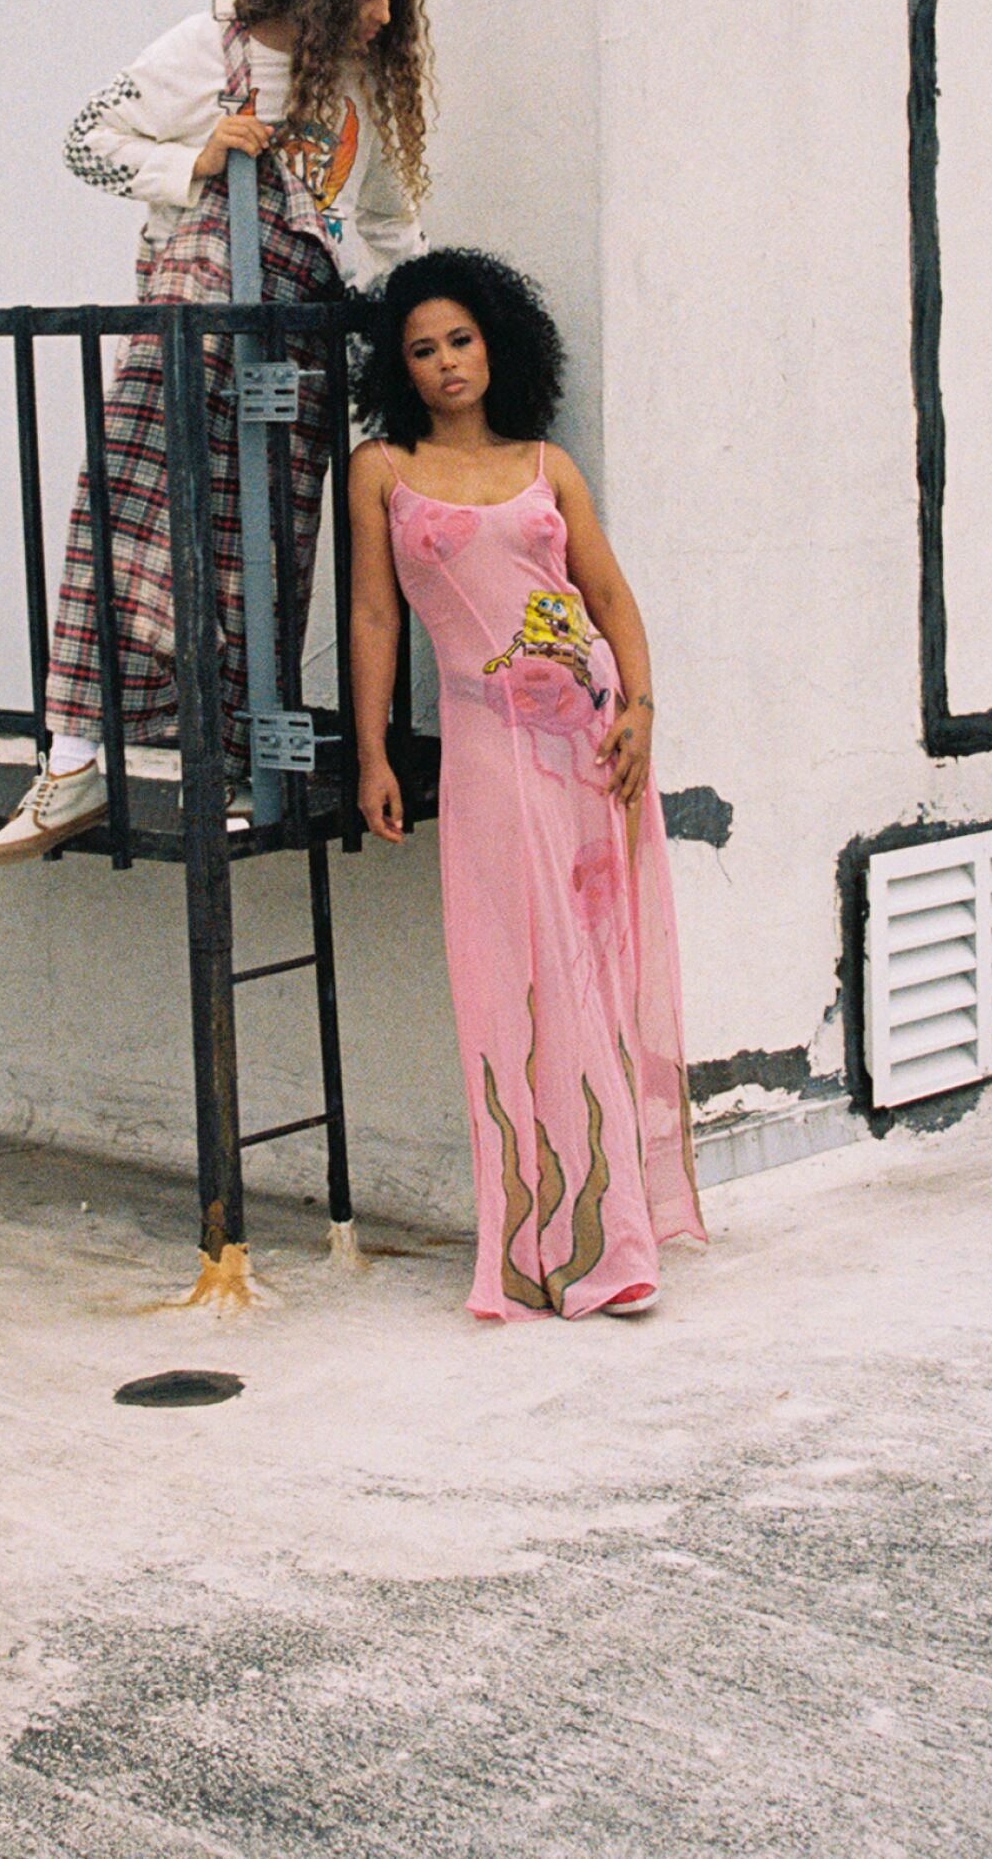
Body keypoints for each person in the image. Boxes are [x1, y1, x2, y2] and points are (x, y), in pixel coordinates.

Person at [0, 0, 429, 863]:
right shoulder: (210, 50)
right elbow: (82, 143)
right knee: (133, 514)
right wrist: (197, 157)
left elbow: (387, 228)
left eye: (396, 1)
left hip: (295, 343)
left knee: (261, 551)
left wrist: (401, 329)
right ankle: (72, 764)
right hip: (191, 327)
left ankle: (233, 766)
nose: (385, 18)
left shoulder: (360, 92)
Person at [347, 250, 704, 1320]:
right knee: (513, 980)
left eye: (460, 339)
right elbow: (374, 617)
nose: (447, 362)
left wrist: (638, 709)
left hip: (587, 745)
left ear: (495, 344)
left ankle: (613, 1243)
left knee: (593, 969)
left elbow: (604, 595)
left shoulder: (546, 465)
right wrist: (373, 755)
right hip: (487, 747)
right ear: (398, 368)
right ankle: (543, 1239)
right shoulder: (379, 470)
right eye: (423, 349)